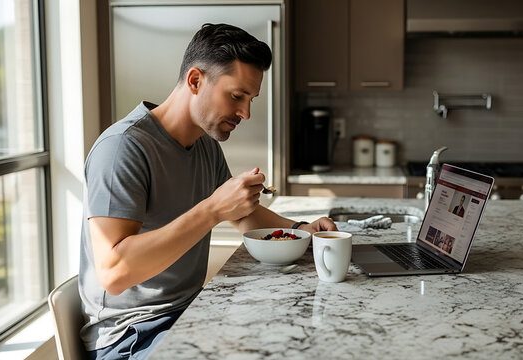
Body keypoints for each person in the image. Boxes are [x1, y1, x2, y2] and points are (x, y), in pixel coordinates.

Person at [78, 23, 337, 360]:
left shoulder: (204, 146)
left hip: (190, 313)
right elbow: (115, 273)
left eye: (250, 99)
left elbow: (245, 215)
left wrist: (301, 230)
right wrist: (213, 209)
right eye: (236, 96)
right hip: (131, 336)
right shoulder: (123, 148)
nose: (245, 112)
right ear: (196, 81)